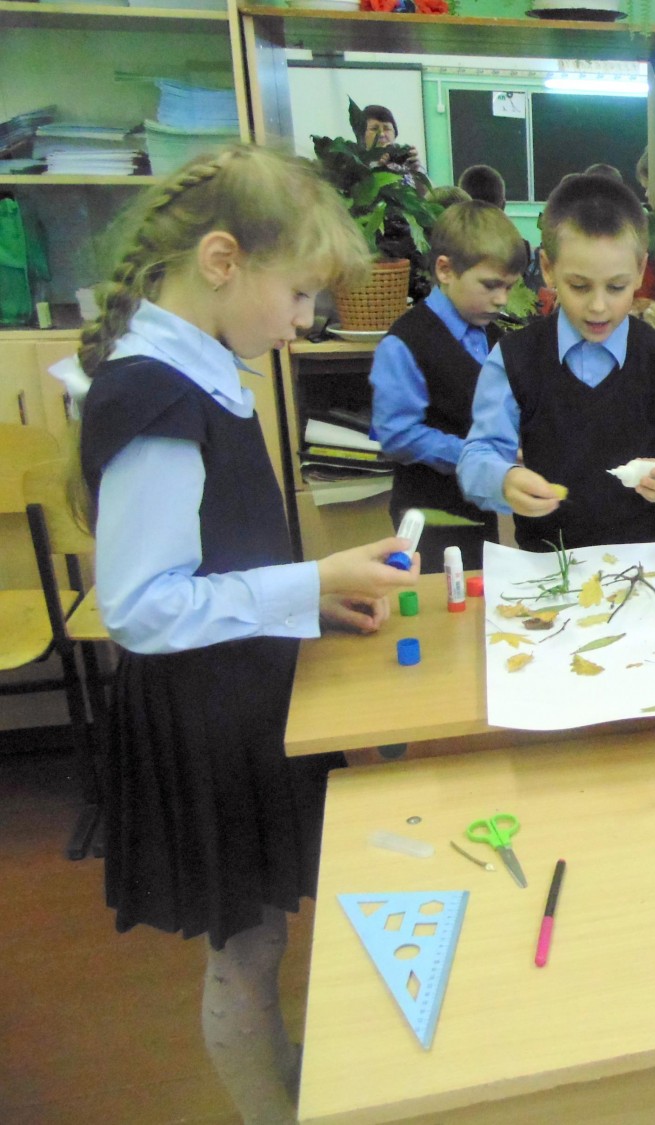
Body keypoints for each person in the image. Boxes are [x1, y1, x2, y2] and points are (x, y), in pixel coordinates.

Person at [68, 145, 417, 1124]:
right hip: (203, 714)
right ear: (222, 260)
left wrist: (313, 603)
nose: (305, 320)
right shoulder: (156, 395)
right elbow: (143, 607)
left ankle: (282, 1071)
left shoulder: (204, 366)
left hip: (243, 692)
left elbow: (222, 556)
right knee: (245, 948)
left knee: (261, 937)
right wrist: (310, 582)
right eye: (300, 294)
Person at [457, 172, 655, 551]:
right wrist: (503, 480)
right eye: (579, 286)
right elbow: (478, 455)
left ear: (640, 270)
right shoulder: (514, 359)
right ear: (547, 268)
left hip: (645, 562)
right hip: (548, 564)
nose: (598, 306)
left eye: (616, 287)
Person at [370, 200, 527, 570]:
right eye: (490, 285)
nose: (502, 299)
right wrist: (475, 456)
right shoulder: (405, 342)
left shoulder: (493, 335)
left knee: (476, 588)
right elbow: (397, 435)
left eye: (509, 287)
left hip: (477, 505)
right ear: (445, 270)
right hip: (426, 513)